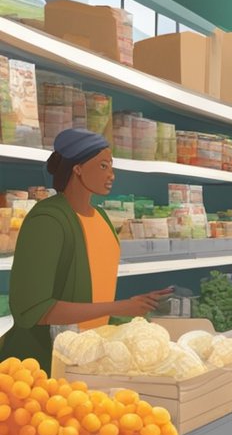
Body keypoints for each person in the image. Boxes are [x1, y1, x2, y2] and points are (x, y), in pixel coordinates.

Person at [1, 128, 169, 373]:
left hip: (89, 357)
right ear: (77, 168)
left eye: (112, 166)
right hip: (43, 366)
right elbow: (33, 309)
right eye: (103, 166)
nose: (111, 175)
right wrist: (120, 307)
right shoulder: (48, 220)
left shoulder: (101, 217)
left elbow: (98, 289)